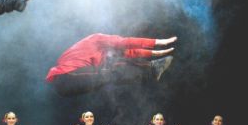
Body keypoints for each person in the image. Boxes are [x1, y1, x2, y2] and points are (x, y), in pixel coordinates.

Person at [45, 33, 177, 97]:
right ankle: (152, 68)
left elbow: (131, 53)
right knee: (110, 70)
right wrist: (157, 42)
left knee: (111, 73)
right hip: (66, 77)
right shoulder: (98, 39)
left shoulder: (104, 57)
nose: (114, 56)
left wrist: (153, 54)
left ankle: (152, 67)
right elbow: (126, 43)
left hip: (67, 84)